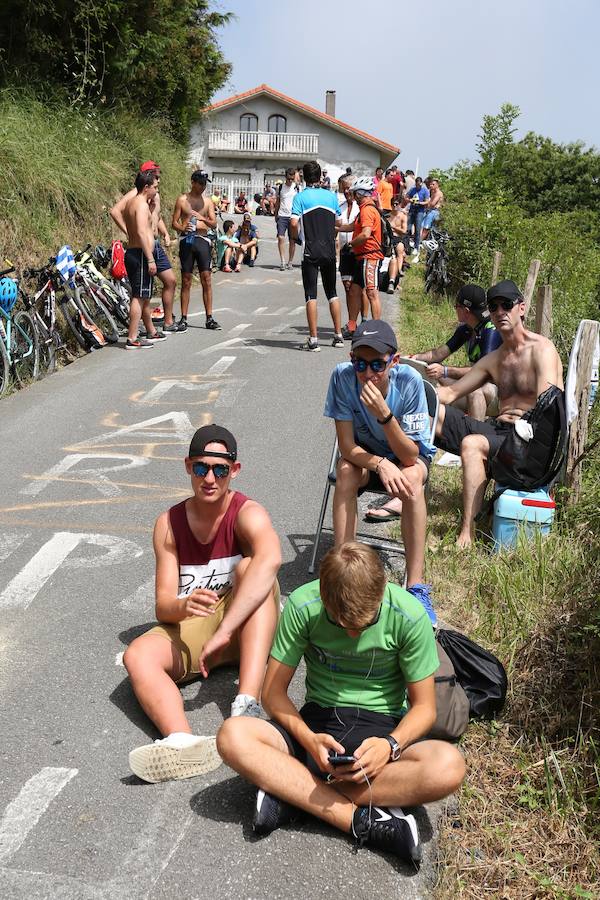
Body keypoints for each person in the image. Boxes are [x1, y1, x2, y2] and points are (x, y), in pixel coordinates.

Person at [217, 542, 465, 862]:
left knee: (448, 767)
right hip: (317, 726)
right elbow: (273, 693)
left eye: (363, 625)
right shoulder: (304, 605)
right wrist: (308, 738)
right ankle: (360, 820)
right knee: (232, 735)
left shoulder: (409, 615)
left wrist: (389, 745)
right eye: (339, 622)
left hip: (382, 728)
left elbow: (424, 708)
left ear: (382, 594)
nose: (351, 634)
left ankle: (294, 795)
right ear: (323, 597)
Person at [124, 424, 282, 783]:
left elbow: (271, 560)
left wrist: (226, 630)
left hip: (246, 629)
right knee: (137, 655)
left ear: (234, 471)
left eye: (220, 470)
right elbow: (163, 606)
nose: (209, 478)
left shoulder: (248, 512)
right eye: (201, 468)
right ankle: (182, 741)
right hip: (201, 630)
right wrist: (184, 606)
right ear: (188, 467)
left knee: (249, 568)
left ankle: (247, 706)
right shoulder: (168, 524)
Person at [323, 320, 438, 622]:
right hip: (367, 458)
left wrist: (385, 415)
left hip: (406, 459)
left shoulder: (410, 381)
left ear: (394, 361)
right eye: (360, 364)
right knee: (346, 471)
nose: (368, 374)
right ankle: (343, 577)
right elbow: (347, 447)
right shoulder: (343, 378)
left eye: (377, 364)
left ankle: (415, 585)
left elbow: (411, 455)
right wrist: (379, 463)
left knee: (412, 481)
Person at [435, 280, 564, 547]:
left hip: (528, 444)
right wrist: (405, 386)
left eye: (507, 305)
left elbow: (547, 408)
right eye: (494, 307)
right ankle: (407, 493)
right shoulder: (495, 359)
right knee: (431, 415)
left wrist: (519, 435)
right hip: (499, 431)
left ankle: (467, 534)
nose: (500, 311)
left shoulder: (542, 350)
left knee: (473, 444)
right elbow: (450, 394)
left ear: (521, 308)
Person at [110, 161, 181, 334]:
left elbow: (156, 217)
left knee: (169, 281)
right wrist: (130, 232)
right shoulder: (138, 194)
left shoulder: (153, 193)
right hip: (143, 246)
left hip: (153, 243)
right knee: (142, 293)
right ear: (148, 176)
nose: (159, 177)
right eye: (156, 174)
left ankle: (166, 322)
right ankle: (141, 332)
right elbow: (115, 211)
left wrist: (165, 233)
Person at [415, 284, 502, 419]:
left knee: (474, 390)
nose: (455, 310)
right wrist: (413, 358)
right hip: (480, 384)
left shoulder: (491, 330)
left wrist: (445, 371)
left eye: (456, 307)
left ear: (466, 311)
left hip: (500, 393)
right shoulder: (466, 328)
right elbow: (438, 354)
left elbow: (483, 373)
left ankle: (475, 434)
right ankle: (450, 427)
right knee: (434, 380)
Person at [290, 160, 344, 352]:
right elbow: (338, 223)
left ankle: (313, 340)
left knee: (311, 294)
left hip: (310, 250)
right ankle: (338, 336)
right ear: (320, 176)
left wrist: (296, 238)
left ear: (304, 177)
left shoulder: (300, 197)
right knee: (332, 293)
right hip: (329, 249)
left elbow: (294, 223)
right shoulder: (331, 196)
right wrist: (331, 237)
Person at [121, 171, 167, 349]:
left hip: (134, 252)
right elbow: (141, 232)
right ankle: (132, 337)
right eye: (154, 187)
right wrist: (150, 259)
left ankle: (138, 334)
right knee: (139, 297)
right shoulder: (140, 205)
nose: (156, 190)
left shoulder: (131, 203)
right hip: (140, 254)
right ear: (146, 187)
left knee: (140, 296)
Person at [172, 169, 220, 332]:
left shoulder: (207, 202)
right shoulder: (182, 200)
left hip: (202, 239)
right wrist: (183, 228)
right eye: (200, 183)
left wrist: (203, 219)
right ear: (193, 182)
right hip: (187, 240)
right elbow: (174, 223)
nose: (202, 187)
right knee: (186, 279)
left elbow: (214, 224)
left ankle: (209, 317)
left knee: (206, 278)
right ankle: (183, 318)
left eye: (204, 184)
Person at [337, 177, 384, 337]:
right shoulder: (363, 210)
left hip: (370, 257)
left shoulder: (367, 210)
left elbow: (365, 234)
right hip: (361, 258)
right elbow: (353, 227)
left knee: (371, 293)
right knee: (355, 291)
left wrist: (350, 245)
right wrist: (335, 228)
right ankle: (351, 326)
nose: (354, 197)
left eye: (355, 194)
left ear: (361, 194)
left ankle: (377, 330)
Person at [336, 175, 363, 322]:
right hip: (345, 252)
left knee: (360, 289)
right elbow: (337, 229)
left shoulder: (362, 206)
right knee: (347, 287)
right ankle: (351, 322)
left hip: (359, 251)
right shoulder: (340, 207)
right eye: (344, 188)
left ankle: (364, 321)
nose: (347, 191)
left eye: (349, 188)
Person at [274, 167, 299, 270]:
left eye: (292, 179)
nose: (290, 181)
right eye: (288, 178)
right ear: (285, 177)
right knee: (280, 237)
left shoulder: (297, 188)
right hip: (282, 215)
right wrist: (276, 215)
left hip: (293, 216)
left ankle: (290, 262)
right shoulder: (280, 188)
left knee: (292, 240)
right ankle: (282, 261)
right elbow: (278, 202)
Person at [386, 197, 409, 294]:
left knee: (400, 250)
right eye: (393, 204)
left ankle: (397, 275)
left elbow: (404, 231)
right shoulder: (387, 216)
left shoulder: (403, 216)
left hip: (398, 238)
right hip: (388, 239)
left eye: (397, 204)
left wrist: (393, 227)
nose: (395, 206)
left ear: (400, 205)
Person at [406, 177, 430, 259]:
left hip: (420, 211)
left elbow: (427, 201)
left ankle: (416, 247)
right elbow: (406, 197)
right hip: (412, 210)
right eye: (417, 184)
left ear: (421, 183)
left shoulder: (425, 191)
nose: (418, 186)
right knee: (408, 228)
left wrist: (420, 202)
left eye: (419, 184)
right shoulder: (412, 190)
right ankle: (406, 244)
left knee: (417, 229)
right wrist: (410, 200)